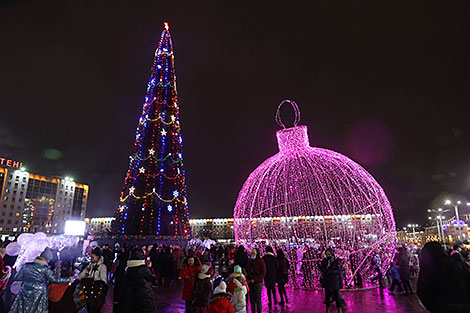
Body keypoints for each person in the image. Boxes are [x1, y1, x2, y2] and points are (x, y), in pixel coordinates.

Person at [10, 248, 72, 313]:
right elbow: (55, 280)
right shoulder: (45, 269)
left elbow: (17, 277)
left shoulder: (26, 265)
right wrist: (70, 279)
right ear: (47, 260)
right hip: (38, 293)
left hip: (25, 289)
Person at [417, 242, 470, 313]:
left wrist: (433, 307)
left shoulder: (426, 270)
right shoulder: (457, 265)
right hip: (463, 305)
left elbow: (422, 292)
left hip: (440, 308)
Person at [115, 247, 157, 313]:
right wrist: (150, 268)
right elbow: (152, 278)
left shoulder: (128, 269)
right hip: (143, 294)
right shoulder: (143, 268)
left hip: (131, 295)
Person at [78, 248, 108, 313]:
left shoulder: (102, 267)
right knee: (89, 306)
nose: (91, 258)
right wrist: (77, 279)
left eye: (92, 257)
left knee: (95, 307)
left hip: (96, 290)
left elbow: (103, 280)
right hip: (89, 289)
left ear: (97, 257)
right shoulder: (90, 265)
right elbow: (82, 274)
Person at [319, 248, 345, 313]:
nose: (328, 254)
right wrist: (323, 269)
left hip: (334, 281)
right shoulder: (324, 261)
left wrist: (331, 271)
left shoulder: (336, 260)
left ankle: (339, 309)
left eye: (329, 252)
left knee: (336, 295)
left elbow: (338, 270)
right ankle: (327, 310)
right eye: (327, 253)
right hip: (327, 280)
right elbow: (322, 269)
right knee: (327, 295)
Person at [246, 248, 265, 313]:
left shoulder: (261, 261)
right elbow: (247, 271)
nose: (252, 255)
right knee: (252, 299)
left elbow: (263, 273)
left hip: (258, 282)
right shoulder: (250, 261)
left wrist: (255, 279)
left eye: (253, 254)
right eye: (251, 254)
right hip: (250, 282)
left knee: (257, 299)